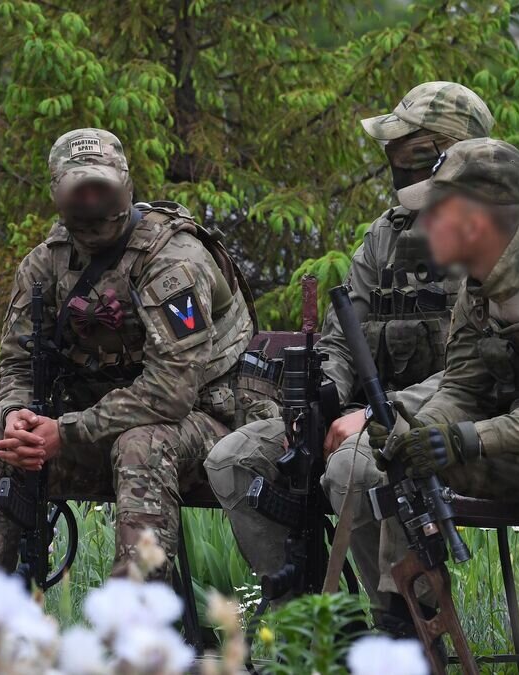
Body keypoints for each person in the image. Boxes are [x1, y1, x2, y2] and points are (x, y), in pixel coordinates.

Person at [203, 81, 494, 613]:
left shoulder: (496, 238)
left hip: (456, 423)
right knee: (232, 459)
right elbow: (343, 337)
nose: (394, 166)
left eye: (407, 153)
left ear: (445, 157)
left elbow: (484, 372)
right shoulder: (386, 235)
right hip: (364, 416)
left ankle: (403, 624)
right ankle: (301, 623)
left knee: (352, 469)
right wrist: (322, 397)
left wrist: (373, 417)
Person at [0, 128, 255, 579]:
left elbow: (172, 392)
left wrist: (67, 430)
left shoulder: (173, 263)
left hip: (205, 423)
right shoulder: (45, 264)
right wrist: (17, 413)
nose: (92, 199)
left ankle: (134, 621)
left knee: (142, 443)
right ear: (58, 192)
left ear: (124, 183)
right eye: (80, 188)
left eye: (102, 186)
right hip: (96, 427)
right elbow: (18, 360)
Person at [353, 137, 519, 626]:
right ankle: (407, 626)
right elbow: (462, 386)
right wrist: (423, 434)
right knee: (402, 457)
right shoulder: (477, 284)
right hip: (516, 451)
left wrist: (467, 438)